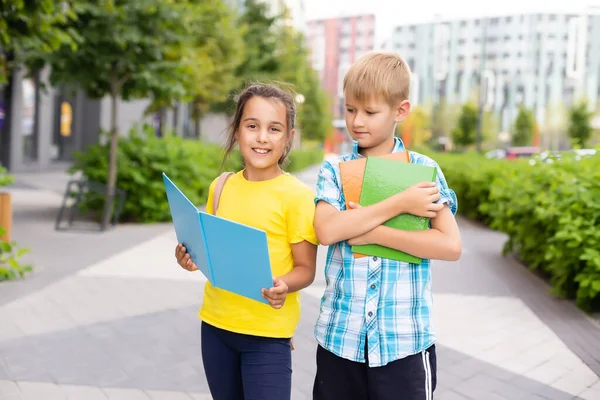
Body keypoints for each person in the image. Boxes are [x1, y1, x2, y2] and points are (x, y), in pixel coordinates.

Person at [312, 52, 462, 400]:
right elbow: (328, 231)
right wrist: (400, 204)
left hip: (404, 344)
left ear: (400, 110)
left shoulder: (424, 170)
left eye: (370, 111)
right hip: (341, 341)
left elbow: (450, 246)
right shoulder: (334, 171)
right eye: (350, 109)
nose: (357, 121)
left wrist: (373, 233)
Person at [174, 83, 318, 400]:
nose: (262, 137)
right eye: (252, 126)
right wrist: (189, 256)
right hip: (215, 327)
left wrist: (284, 285)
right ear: (237, 131)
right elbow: (211, 251)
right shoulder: (221, 185)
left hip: (267, 335)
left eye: (274, 129)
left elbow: (306, 269)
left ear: (289, 138)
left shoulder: (297, 197)